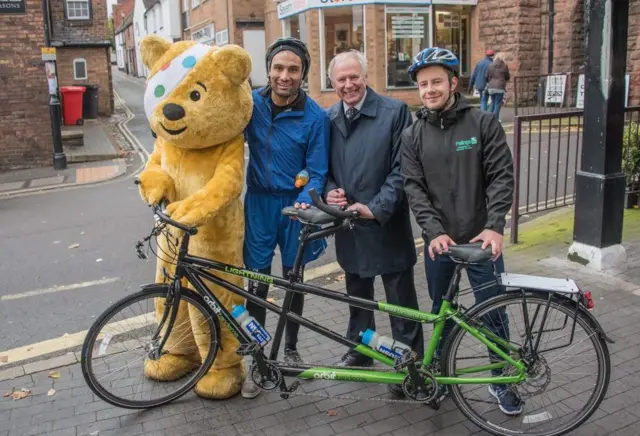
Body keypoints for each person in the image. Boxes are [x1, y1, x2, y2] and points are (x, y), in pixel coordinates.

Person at [401, 47, 522, 415]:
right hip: (440, 244)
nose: (430, 90)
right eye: (424, 84)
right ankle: (440, 375)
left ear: (453, 82)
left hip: (481, 241)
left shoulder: (482, 123)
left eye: (437, 81)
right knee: (442, 313)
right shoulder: (414, 134)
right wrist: (434, 232)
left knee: (493, 313)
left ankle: (501, 381)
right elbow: (414, 188)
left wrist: (495, 226)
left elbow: (502, 176)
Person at [324, 50, 424, 397]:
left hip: (385, 224)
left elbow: (403, 170)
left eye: (354, 77)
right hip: (349, 224)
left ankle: (410, 366)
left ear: (365, 76)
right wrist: (330, 192)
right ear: (333, 83)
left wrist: (376, 207)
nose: (348, 84)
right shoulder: (329, 117)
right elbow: (324, 170)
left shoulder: (395, 112)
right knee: (358, 294)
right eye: (341, 79)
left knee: (399, 301)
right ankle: (361, 349)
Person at [242, 37, 330, 398]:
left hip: (295, 208)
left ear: (303, 73)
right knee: (256, 279)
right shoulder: (249, 105)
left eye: (293, 69)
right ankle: (257, 356)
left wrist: (303, 202)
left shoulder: (316, 117)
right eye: (278, 68)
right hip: (260, 204)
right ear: (269, 69)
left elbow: (317, 168)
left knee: (294, 279)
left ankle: (291, 347)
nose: (284, 76)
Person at [485, 52, 510, 121]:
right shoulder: (504, 66)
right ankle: (495, 120)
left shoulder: (490, 65)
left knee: (493, 102)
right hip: (500, 87)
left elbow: (486, 76)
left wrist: (489, 81)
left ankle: (487, 118)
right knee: (497, 104)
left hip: (491, 87)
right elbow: (507, 77)